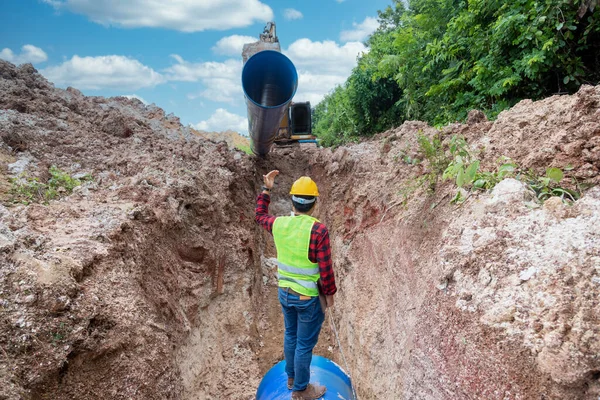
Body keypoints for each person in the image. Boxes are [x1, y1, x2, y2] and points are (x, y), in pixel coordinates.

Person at [255, 170, 337, 400]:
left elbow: (260, 215)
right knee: (303, 344)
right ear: (314, 203)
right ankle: (301, 389)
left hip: (284, 293)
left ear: (293, 201)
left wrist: (266, 189)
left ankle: (290, 377)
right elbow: (325, 269)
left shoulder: (279, 224)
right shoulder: (318, 230)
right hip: (307, 298)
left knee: (290, 335)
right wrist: (329, 294)